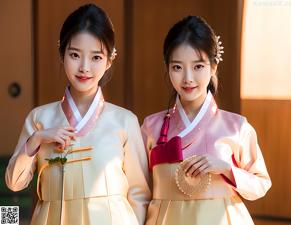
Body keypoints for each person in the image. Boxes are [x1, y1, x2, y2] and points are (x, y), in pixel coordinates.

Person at [6, 4, 150, 225]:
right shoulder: (38, 119)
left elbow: (139, 195)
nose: (84, 67)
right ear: (62, 54)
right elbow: (14, 184)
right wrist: (36, 139)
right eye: (75, 54)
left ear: (109, 60)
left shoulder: (125, 121)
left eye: (96, 57)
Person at [141, 15, 271, 225]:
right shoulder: (151, 127)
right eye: (177, 67)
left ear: (213, 67)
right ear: (167, 67)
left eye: (198, 66)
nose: (188, 78)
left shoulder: (236, 127)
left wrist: (225, 168)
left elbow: (261, 184)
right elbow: (141, 189)